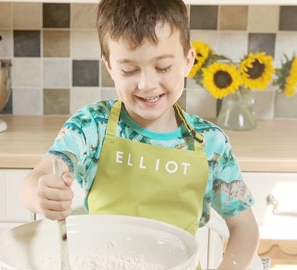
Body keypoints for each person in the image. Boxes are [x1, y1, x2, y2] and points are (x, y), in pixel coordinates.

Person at [20, 0, 259, 269]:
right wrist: (41, 194)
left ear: (187, 61)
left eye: (163, 67)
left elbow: (244, 227)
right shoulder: (92, 126)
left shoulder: (211, 144)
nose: (146, 84)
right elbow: (37, 178)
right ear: (110, 66)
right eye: (129, 70)